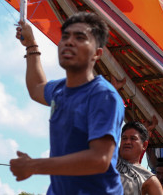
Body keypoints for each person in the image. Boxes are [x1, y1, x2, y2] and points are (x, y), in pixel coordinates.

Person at [10, 12, 124, 194]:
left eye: (80, 38)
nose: (69, 42)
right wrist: (31, 44)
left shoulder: (103, 95)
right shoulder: (59, 90)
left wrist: (34, 166)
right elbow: (36, 87)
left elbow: (100, 159)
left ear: (97, 53)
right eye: (65, 36)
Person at [118, 121, 163, 195]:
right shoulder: (110, 159)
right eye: (124, 138)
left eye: (133, 138)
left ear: (144, 145)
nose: (127, 142)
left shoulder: (147, 178)